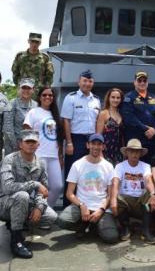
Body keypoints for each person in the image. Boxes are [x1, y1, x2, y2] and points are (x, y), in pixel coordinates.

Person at [0, 129, 59, 259]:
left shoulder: (41, 163)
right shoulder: (9, 160)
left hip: (24, 202)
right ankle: (16, 241)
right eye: (27, 141)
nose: (30, 144)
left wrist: (39, 207)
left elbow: (44, 189)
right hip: (3, 203)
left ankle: (17, 222)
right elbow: (7, 187)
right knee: (22, 195)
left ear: (38, 145)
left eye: (33, 142)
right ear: (20, 144)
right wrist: (34, 184)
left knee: (51, 217)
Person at [58, 134, 119, 244]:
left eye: (99, 144)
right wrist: (81, 205)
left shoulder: (109, 166)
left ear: (103, 147)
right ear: (88, 145)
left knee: (111, 237)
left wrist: (101, 210)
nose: (96, 147)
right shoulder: (77, 164)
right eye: (93, 144)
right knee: (62, 220)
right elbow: (69, 193)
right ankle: (82, 225)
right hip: (82, 205)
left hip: (101, 207)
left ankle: (94, 226)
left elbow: (110, 195)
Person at [61, 70, 101, 206]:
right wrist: (69, 143)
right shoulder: (71, 98)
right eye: (84, 80)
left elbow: (97, 123)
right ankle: (68, 206)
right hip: (76, 139)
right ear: (79, 82)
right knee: (72, 172)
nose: (87, 83)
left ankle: (86, 203)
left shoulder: (96, 100)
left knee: (89, 172)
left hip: (91, 140)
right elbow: (66, 121)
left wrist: (96, 143)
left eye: (90, 81)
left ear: (93, 83)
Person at [110, 139, 155, 243]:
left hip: (140, 202)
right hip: (126, 201)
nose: (134, 154)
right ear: (127, 152)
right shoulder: (120, 166)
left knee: (151, 194)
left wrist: (153, 194)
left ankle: (146, 231)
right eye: (131, 151)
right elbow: (115, 182)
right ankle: (125, 227)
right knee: (116, 197)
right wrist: (113, 199)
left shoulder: (145, 166)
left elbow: (148, 180)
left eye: (137, 152)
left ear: (140, 154)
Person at [24, 87, 64, 209]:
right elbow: (26, 131)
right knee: (37, 188)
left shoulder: (55, 114)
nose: (47, 97)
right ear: (40, 97)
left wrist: (60, 156)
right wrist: (28, 152)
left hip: (53, 156)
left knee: (57, 186)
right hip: (38, 155)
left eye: (50, 95)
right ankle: (31, 213)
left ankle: (45, 211)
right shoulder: (34, 112)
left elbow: (59, 138)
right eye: (44, 95)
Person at [121, 71, 155, 165]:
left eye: (144, 80)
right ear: (134, 82)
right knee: (133, 169)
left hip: (151, 141)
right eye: (139, 80)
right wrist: (146, 129)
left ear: (147, 82)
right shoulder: (128, 98)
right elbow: (129, 118)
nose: (142, 83)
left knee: (150, 167)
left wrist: (154, 130)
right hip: (134, 141)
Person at [3, 78, 37, 155]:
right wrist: (18, 145)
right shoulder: (12, 103)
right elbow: (8, 129)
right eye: (23, 88)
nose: (26, 90)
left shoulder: (36, 105)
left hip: (30, 147)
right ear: (19, 89)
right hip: (13, 147)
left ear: (33, 90)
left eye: (29, 88)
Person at [96, 88, 125, 165]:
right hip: (106, 151)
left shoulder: (122, 114)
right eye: (113, 97)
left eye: (118, 98)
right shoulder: (103, 114)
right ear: (108, 98)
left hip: (119, 152)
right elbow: (98, 135)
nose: (115, 100)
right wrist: (100, 153)